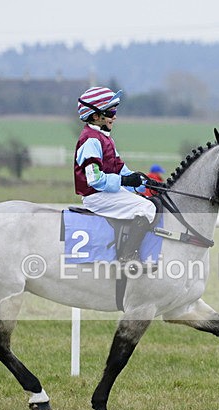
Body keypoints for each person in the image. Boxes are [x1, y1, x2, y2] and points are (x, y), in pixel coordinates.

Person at [73, 86, 157, 272]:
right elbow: (94, 179)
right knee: (147, 208)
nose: (115, 116)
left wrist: (145, 183)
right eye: (111, 112)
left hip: (106, 192)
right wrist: (125, 182)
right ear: (95, 116)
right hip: (96, 196)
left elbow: (121, 170)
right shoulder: (91, 140)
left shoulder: (104, 139)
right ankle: (127, 257)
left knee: (147, 200)